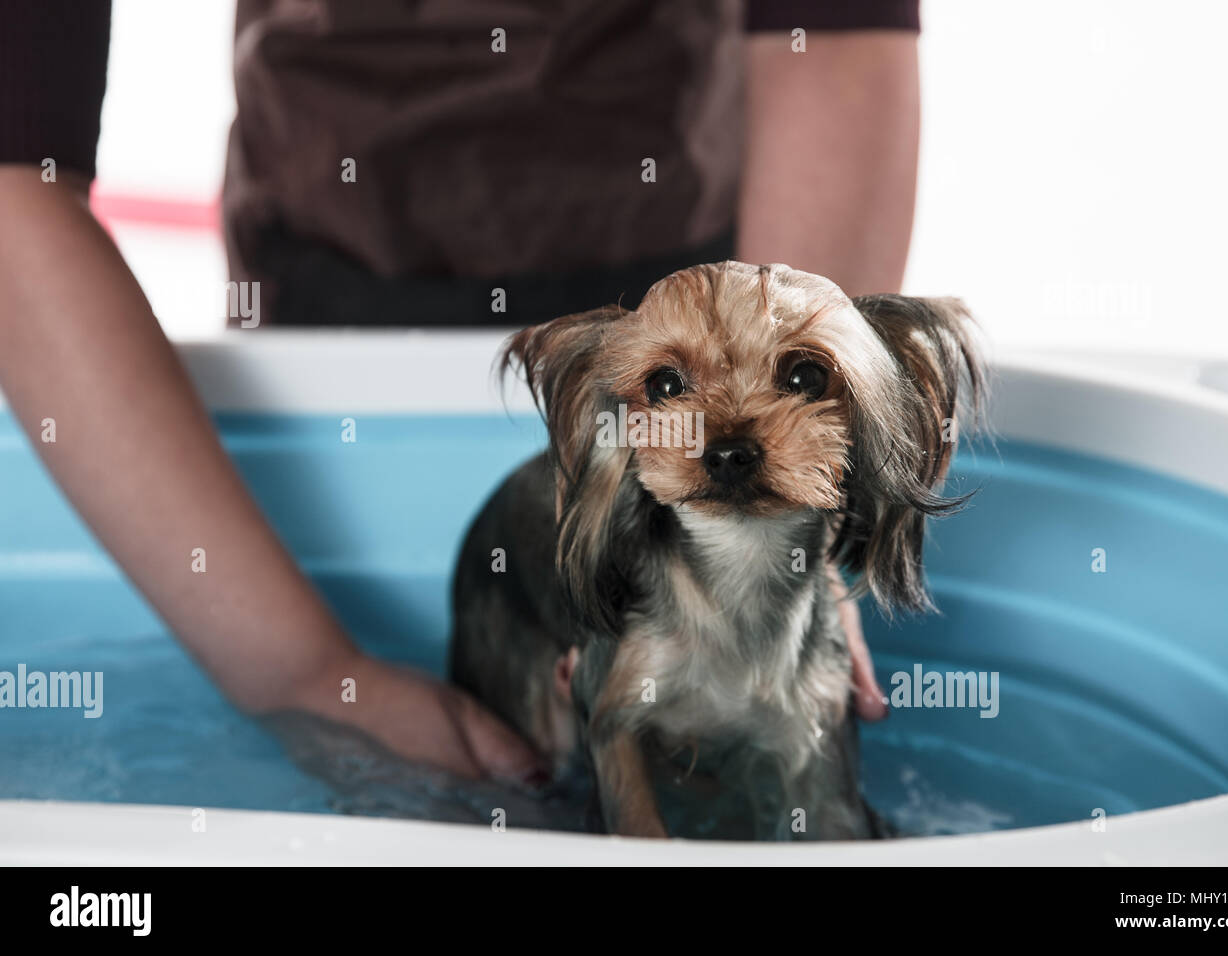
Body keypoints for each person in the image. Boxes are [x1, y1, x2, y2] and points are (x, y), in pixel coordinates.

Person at [0, 0, 919, 788]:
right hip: (331, 293)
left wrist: (789, 527)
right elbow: (13, 177)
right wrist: (302, 673)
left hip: (684, 277)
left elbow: (827, 36)